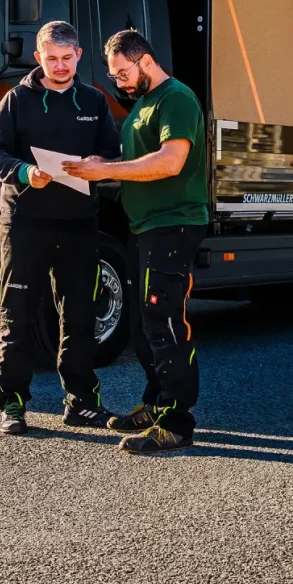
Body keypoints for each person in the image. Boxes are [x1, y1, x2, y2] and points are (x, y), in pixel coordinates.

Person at [63, 30, 210, 455]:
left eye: (123, 74)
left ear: (145, 61)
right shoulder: (142, 105)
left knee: (164, 324)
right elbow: (136, 162)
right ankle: (154, 403)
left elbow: (170, 161)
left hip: (173, 224)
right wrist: (101, 165)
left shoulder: (175, 98)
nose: (119, 84)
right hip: (145, 226)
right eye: (114, 77)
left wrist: (108, 171)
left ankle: (177, 423)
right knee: (141, 327)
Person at [0, 21, 122, 436]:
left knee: (79, 316)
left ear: (78, 55)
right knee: (16, 315)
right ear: (38, 58)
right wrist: (24, 172)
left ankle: (81, 403)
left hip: (79, 225)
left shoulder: (94, 101)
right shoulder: (17, 100)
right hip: (24, 225)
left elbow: (112, 158)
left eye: (67, 58)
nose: (60, 66)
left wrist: (95, 166)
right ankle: (13, 404)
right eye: (51, 59)